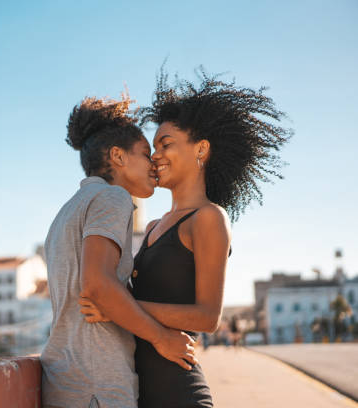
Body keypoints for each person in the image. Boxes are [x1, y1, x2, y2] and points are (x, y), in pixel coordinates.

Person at [80, 69, 291, 407]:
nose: (155, 156)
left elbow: (207, 317)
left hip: (180, 393)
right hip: (139, 394)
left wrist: (118, 308)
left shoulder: (208, 219)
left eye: (166, 144)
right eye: (153, 148)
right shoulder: (152, 228)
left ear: (201, 150)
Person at [41, 94, 197, 408]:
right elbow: (97, 284)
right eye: (144, 153)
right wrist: (162, 338)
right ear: (118, 156)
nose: (153, 162)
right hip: (98, 385)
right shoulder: (113, 198)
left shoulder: (65, 212)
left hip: (65, 382)